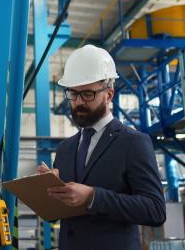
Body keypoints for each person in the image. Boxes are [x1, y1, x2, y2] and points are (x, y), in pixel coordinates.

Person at [35, 45, 166, 249]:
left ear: (109, 95)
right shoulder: (65, 148)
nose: (79, 102)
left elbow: (155, 210)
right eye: (73, 93)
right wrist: (49, 190)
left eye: (87, 94)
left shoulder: (133, 142)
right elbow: (56, 216)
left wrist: (91, 196)